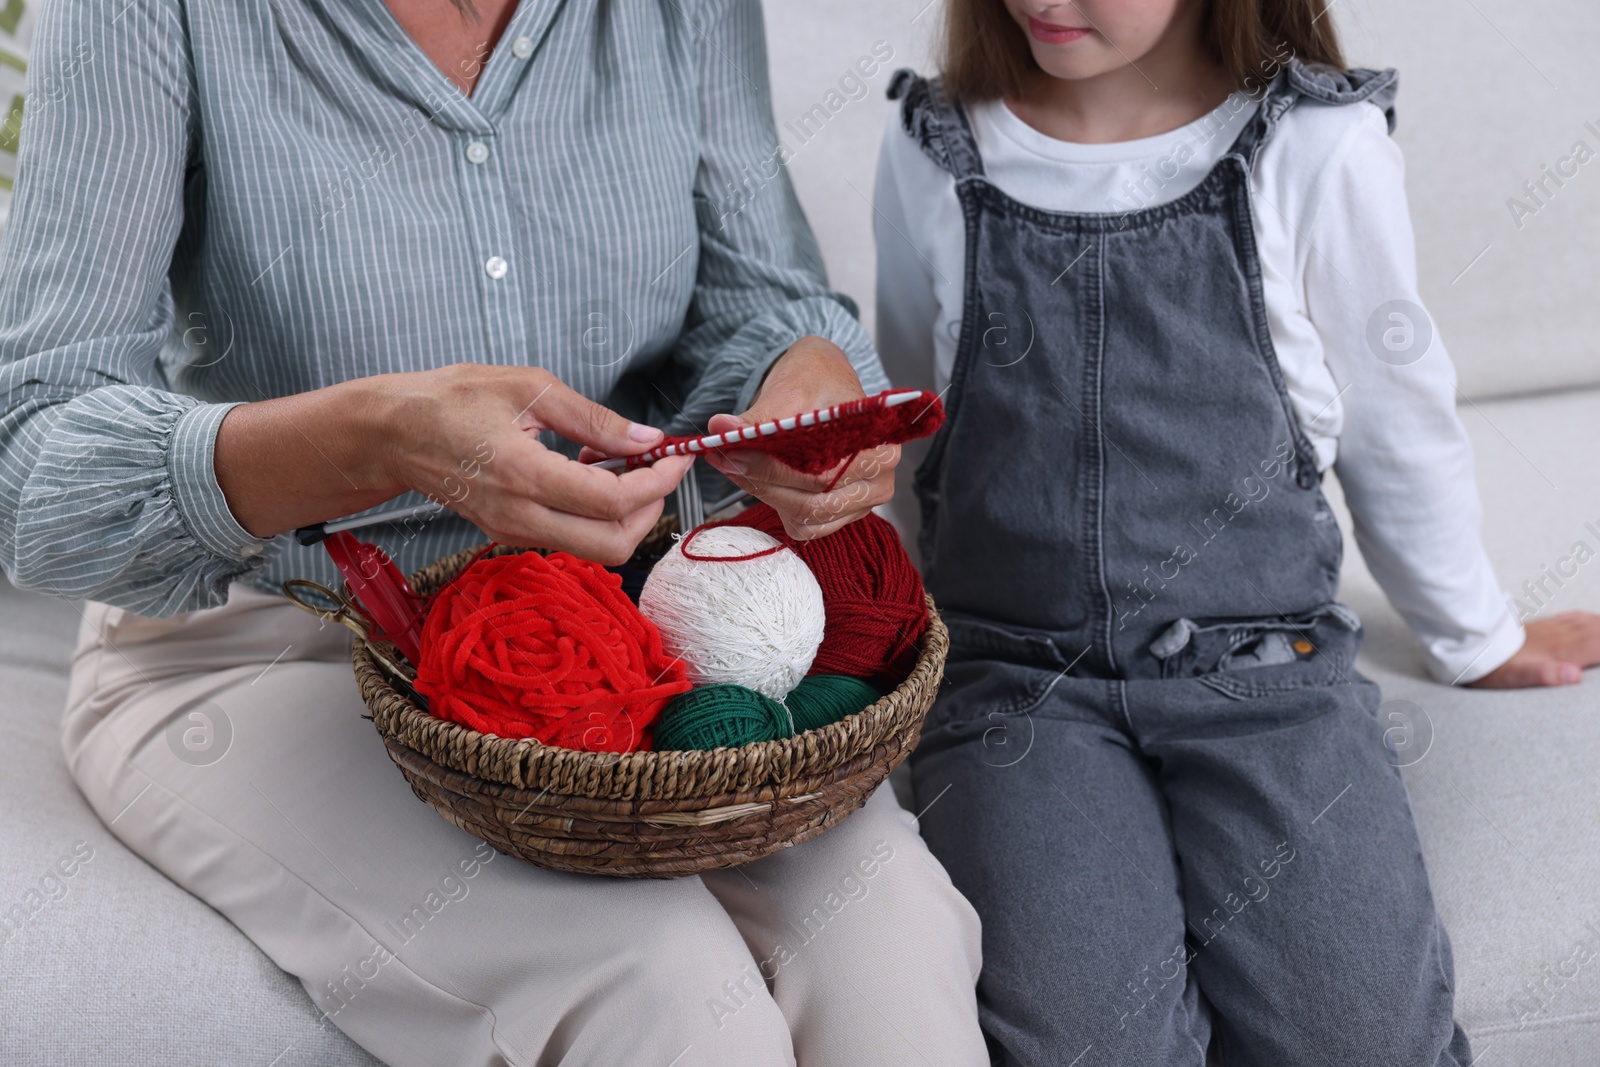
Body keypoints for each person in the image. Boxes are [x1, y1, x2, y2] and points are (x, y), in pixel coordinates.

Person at [0, 1, 988, 1064]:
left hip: (616, 645)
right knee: (654, 978)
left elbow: (758, 295)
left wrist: (806, 378)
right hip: (272, 642)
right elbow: (34, 464)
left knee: (894, 927)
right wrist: (372, 440)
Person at [872, 0, 1600, 1064]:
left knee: (1359, 1034)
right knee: (1084, 1040)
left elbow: (1397, 423)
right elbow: (908, 419)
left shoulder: (1314, 146)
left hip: (1267, 679)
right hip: (1021, 686)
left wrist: (1475, 635)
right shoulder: (935, 145)